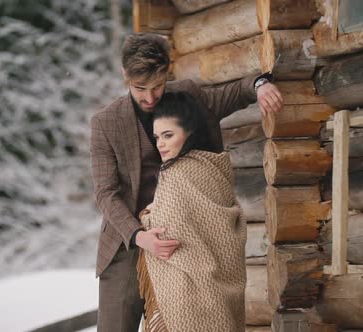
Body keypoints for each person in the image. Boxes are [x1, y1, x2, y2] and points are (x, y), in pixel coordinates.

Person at [90, 33, 282, 332]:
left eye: (157, 86)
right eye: (140, 88)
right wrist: (141, 237)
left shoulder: (189, 97)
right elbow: (105, 193)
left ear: (168, 72)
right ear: (125, 75)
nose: (150, 97)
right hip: (128, 244)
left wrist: (260, 85)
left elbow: (235, 91)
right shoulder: (106, 122)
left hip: (188, 240)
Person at [137, 91, 247, 332]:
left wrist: (146, 215)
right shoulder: (213, 167)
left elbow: (168, 231)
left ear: (189, 133)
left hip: (187, 295)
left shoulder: (176, 174)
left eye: (168, 135)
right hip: (222, 288)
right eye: (157, 137)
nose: (161, 144)